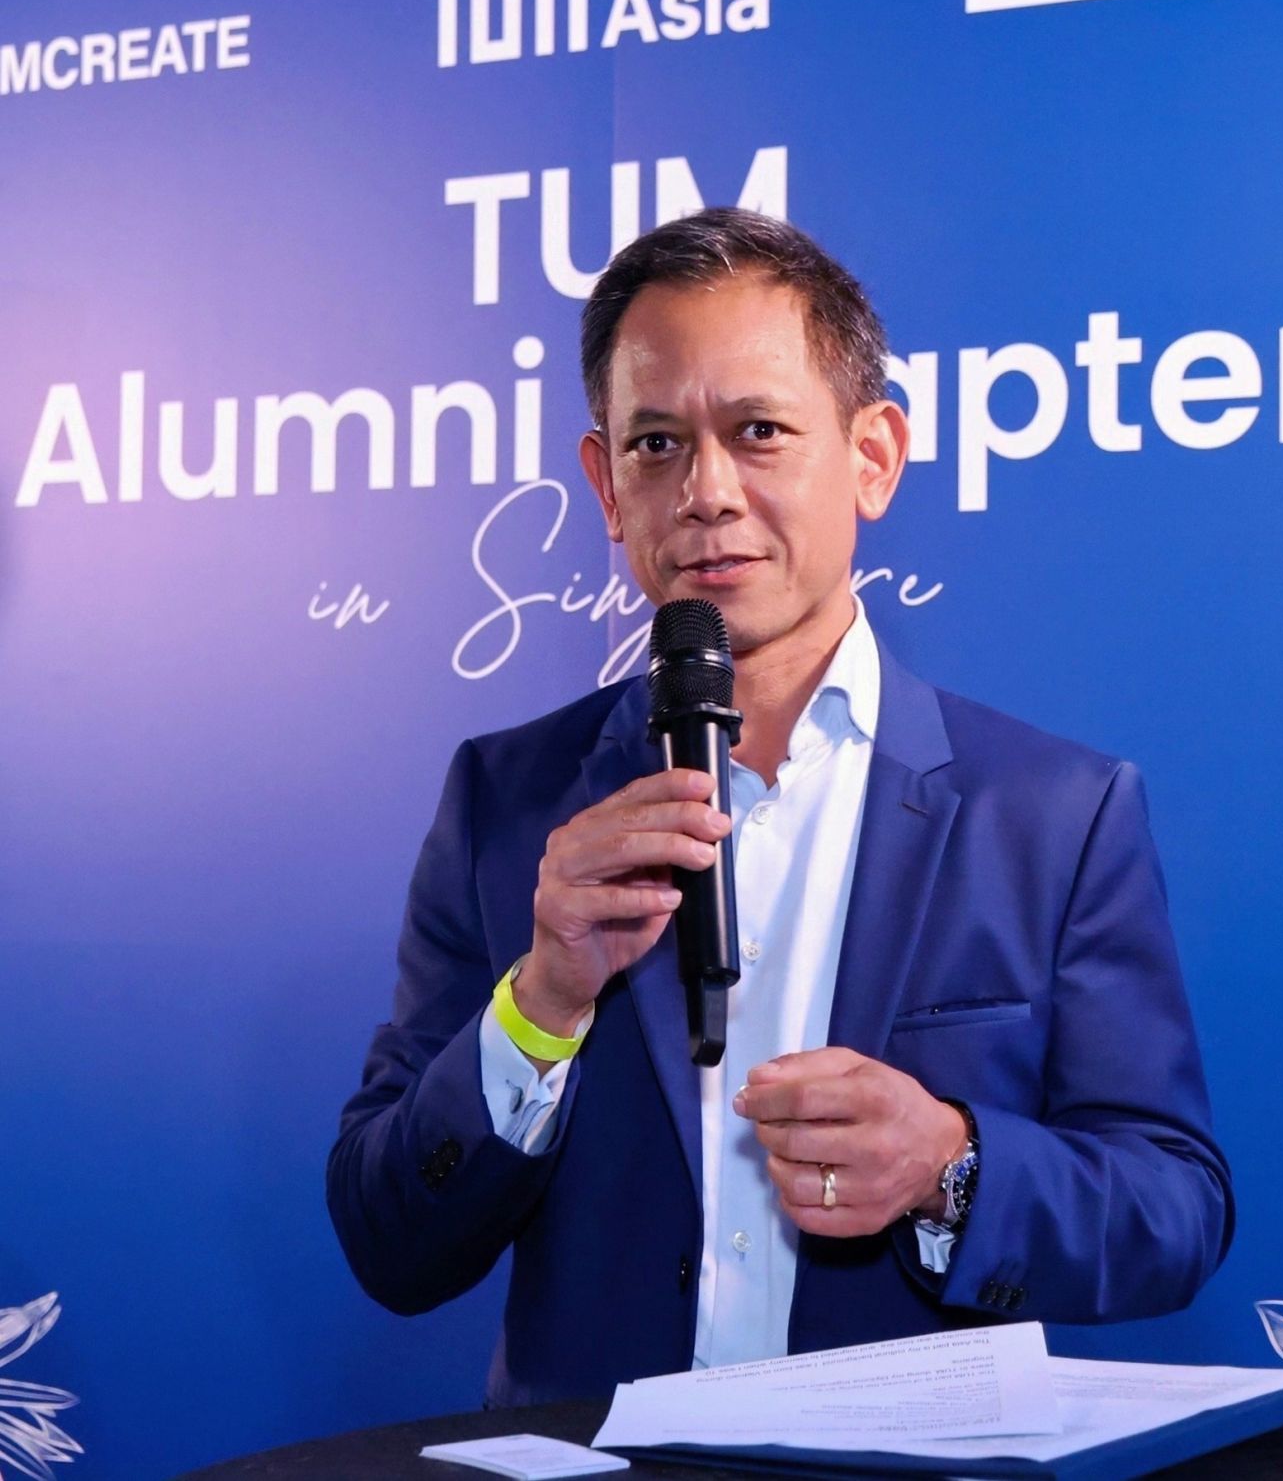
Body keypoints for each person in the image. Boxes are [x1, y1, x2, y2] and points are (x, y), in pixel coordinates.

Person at [327, 208, 1233, 1407]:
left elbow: (1172, 1210)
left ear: (872, 456)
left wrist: (951, 1166)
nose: (705, 492)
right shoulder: (507, 804)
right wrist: (542, 1005)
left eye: (757, 431)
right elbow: (390, 1240)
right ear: (603, 482)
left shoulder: (1055, 814)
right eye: (654, 444)